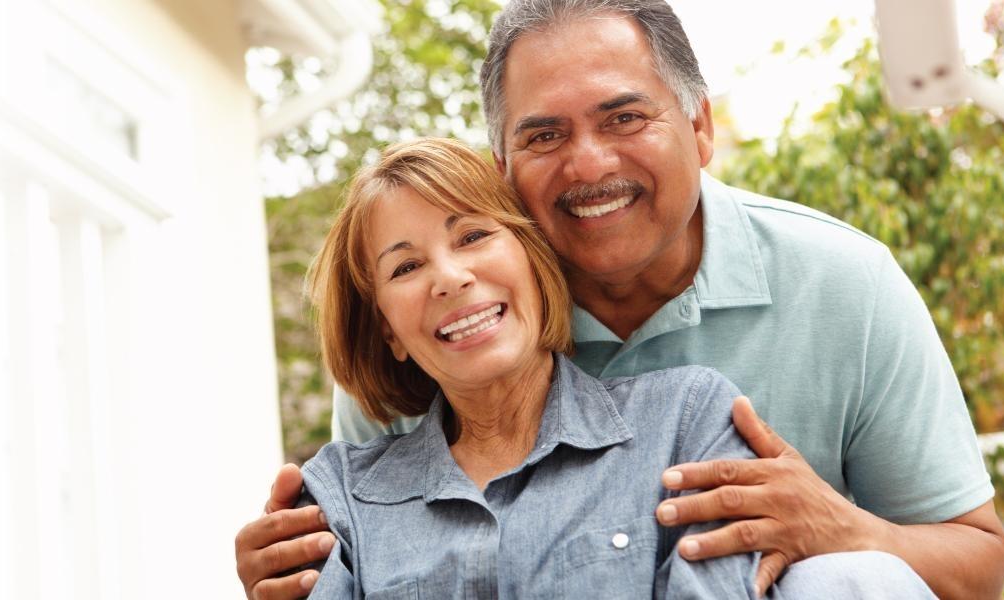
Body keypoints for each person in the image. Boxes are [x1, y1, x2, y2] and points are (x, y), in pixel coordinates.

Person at [234, 1, 1004, 598]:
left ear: (700, 127)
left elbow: (977, 561)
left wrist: (841, 529)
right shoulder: (453, 330)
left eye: (625, 116)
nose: (589, 162)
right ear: (503, 169)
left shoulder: (843, 283)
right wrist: (291, 568)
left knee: (849, 577)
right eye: (543, 137)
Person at [297, 136, 931, 598]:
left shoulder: (687, 420)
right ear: (388, 328)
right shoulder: (340, 494)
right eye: (405, 268)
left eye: (474, 236)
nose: (450, 277)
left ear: (533, 260)